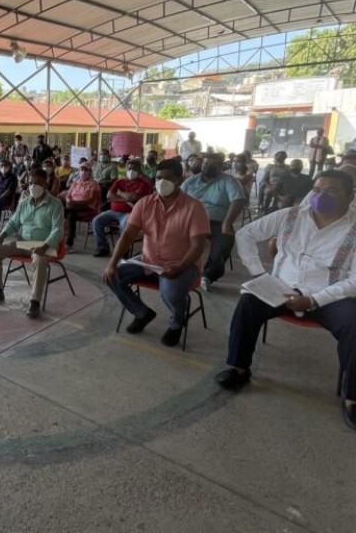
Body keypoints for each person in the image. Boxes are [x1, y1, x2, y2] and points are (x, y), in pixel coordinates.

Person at [215, 170, 356, 432]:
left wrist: (313, 300)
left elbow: (354, 281)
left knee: (354, 324)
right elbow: (245, 234)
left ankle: (353, 398)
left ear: (350, 196)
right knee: (248, 303)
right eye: (317, 189)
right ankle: (238, 368)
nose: (321, 195)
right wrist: (258, 273)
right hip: (281, 287)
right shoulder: (291, 215)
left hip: (330, 294)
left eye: (332, 190)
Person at [102, 159, 210, 346]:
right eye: (159, 178)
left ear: (179, 179)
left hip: (182, 264)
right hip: (148, 261)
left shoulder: (194, 207)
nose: (162, 182)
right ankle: (142, 313)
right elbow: (128, 235)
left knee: (170, 291)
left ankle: (176, 324)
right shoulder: (145, 204)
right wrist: (112, 263)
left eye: (168, 178)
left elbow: (198, 245)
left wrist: (180, 266)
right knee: (111, 275)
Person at [0, 168, 64, 319]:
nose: (33, 186)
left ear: (45, 184)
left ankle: (34, 302)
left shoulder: (55, 204)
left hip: (44, 245)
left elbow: (58, 230)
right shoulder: (24, 202)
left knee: (39, 260)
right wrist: (1, 235)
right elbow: (14, 222)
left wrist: (44, 247)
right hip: (24, 243)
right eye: (31, 183)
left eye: (38, 183)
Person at [181, 153, 246, 290]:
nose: (207, 167)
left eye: (212, 165)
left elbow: (238, 200)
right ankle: (174, 266)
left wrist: (227, 222)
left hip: (217, 222)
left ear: (221, 166)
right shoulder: (191, 182)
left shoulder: (229, 181)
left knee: (224, 243)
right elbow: (178, 201)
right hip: (191, 221)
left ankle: (208, 276)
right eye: (205, 164)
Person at [91, 159, 152, 257]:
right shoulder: (120, 181)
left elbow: (134, 197)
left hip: (130, 213)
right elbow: (109, 196)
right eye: (129, 169)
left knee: (125, 226)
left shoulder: (144, 184)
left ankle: (123, 250)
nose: (131, 171)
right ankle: (103, 247)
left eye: (134, 169)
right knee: (96, 221)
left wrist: (119, 193)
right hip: (113, 211)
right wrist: (126, 198)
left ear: (139, 171)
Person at [64, 163, 101, 249]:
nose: (83, 172)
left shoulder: (94, 184)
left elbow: (92, 199)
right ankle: (65, 241)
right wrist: (69, 201)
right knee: (69, 214)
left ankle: (69, 243)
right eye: (81, 170)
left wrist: (78, 203)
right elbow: (68, 196)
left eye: (86, 170)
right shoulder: (75, 183)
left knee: (68, 213)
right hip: (73, 208)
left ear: (90, 172)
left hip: (88, 209)